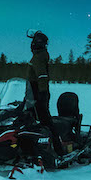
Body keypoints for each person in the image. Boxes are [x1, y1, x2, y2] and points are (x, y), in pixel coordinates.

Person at [26, 29, 65, 157]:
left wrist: (42, 93)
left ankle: (59, 150)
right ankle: (29, 148)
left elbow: (42, 76)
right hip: (34, 94)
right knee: (29, 122)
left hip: (39, 94)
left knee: (46, 122)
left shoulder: (39, 57)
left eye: (33, 42)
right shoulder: (38, 56)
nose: (31, 44)